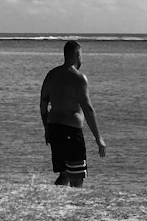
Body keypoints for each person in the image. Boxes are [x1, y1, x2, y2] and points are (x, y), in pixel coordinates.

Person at [39, 39, 107, 187]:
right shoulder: (79, 78)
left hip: (54, 128)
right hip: (71, 130)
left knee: (64, 175)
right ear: (77, 55)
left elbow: (43, 104)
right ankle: (75, 209)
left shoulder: (51, 75)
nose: (82, 59)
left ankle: (54, 205)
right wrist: (98, 138)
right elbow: (88, 109)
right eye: (81, 55)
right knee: (76, 177)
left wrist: (46, 129)